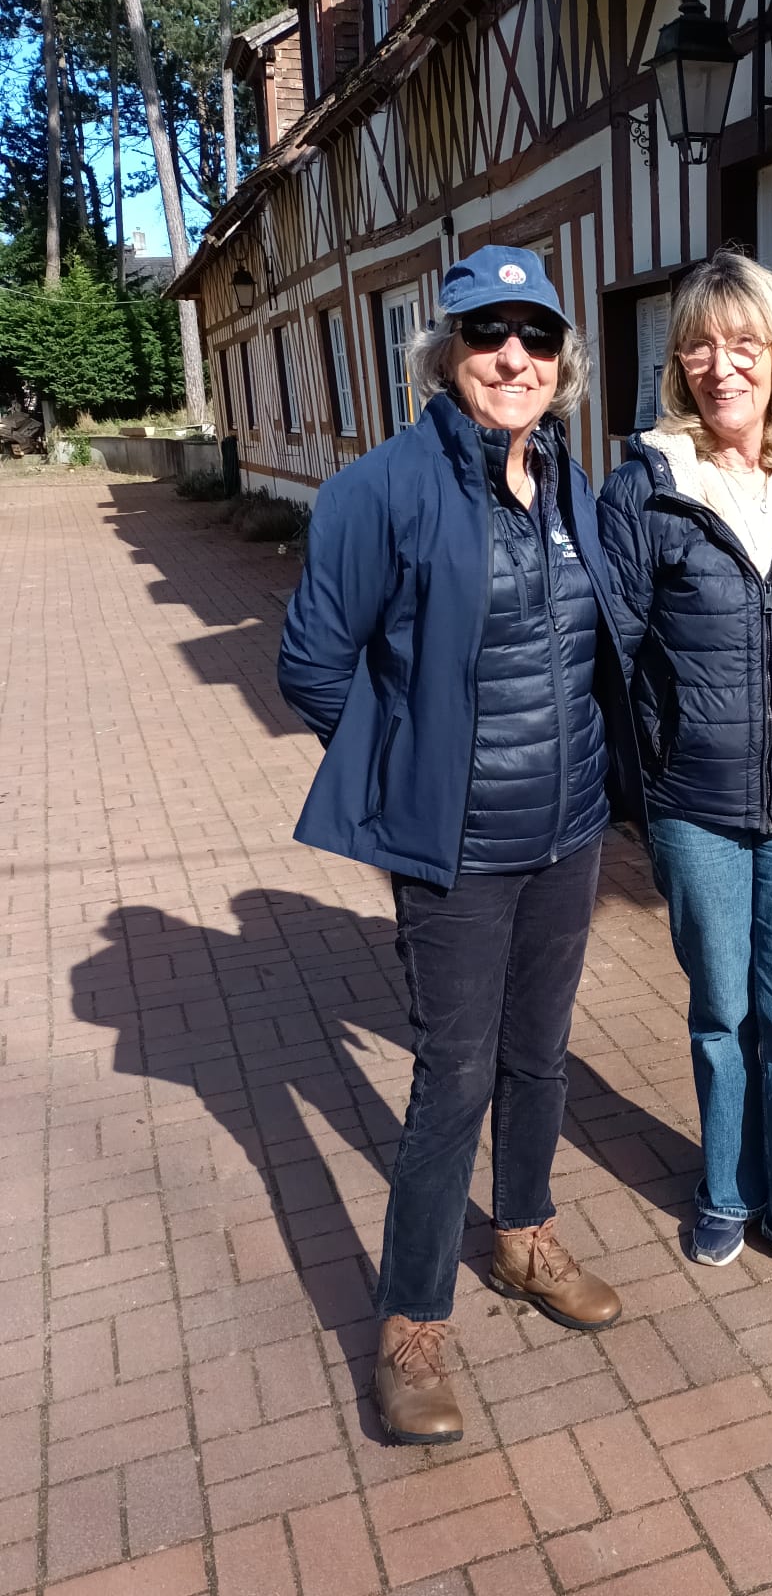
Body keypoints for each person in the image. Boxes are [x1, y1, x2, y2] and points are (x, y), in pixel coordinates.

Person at [278, 245, 627, 1446]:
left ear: (564, 362)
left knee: (540, 1054)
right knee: (454, 1076)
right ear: (446, 353)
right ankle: (413, 1320)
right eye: (488, 333)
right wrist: (409, 763)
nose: (513, 357)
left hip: (569, 827)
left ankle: (523, 1234)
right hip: (459, 848)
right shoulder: (378, 491)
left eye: (537, 336)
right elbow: (312, 663)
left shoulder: (575, 484)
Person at [598, 250, 772, 1299]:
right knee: (722, 1011)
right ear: (679, 363)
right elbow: (615, 655)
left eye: (745, 343)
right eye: (701, 346)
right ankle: (728, 1188)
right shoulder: (645, 490)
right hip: (695, 805)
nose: (723, 366)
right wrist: (653, 777)